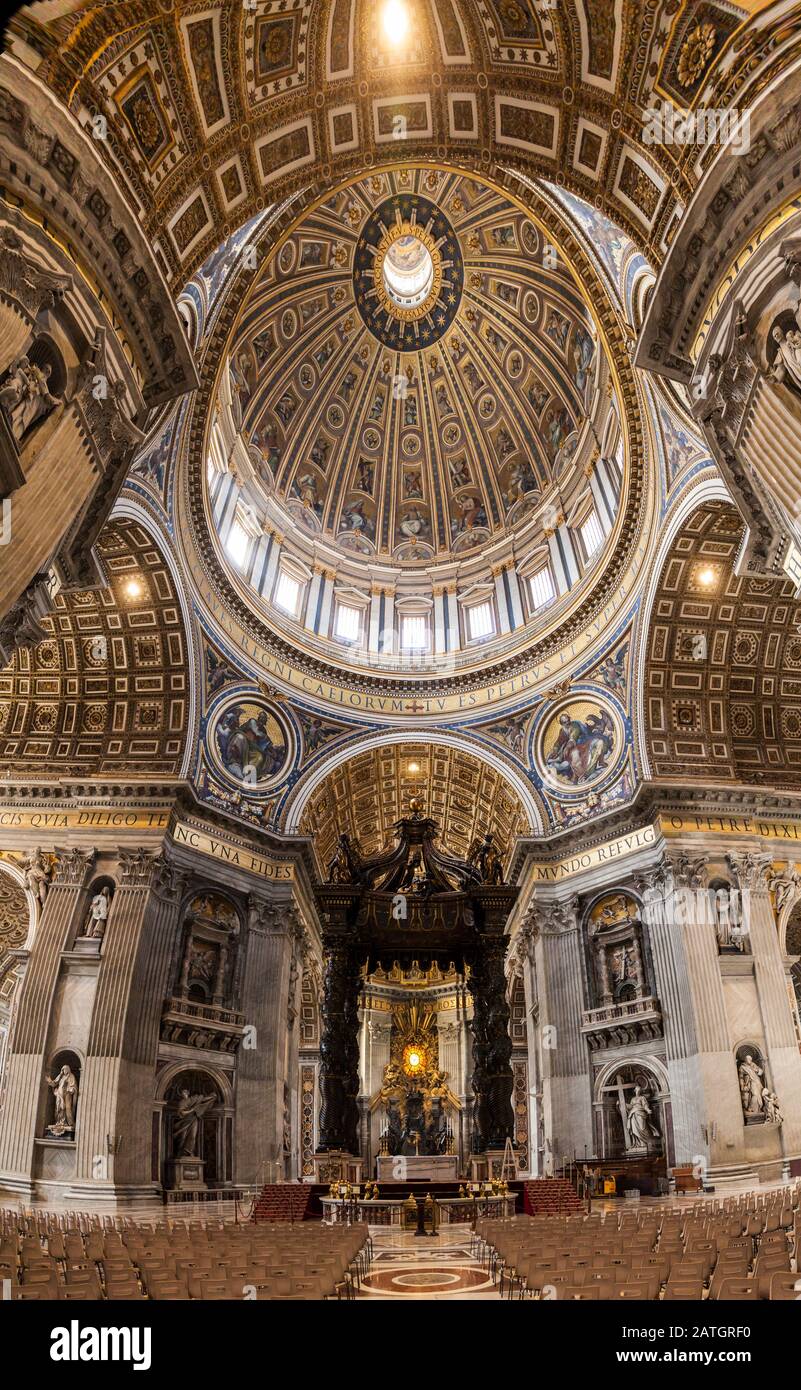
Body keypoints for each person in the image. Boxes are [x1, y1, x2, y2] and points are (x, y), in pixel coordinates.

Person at [173, 1087, 217, 1158]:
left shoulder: (194, 1099)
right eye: (182, 1093)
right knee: (182, 1137)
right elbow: (182, 1113)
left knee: (193, 1136)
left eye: (185, 1092)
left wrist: (211, 1097)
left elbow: (203, 1100)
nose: (183, 1094)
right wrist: (192, 1110)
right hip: (184, 1121)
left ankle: (189, 1151)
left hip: (194, 1119)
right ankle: (180, 1152)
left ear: (188, 1093)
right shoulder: (182, 1102)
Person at [46, 1064, 78, 1137]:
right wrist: (50, 1081)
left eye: (66, 1069)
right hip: (59, 1095)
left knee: (66, 1108)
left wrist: (71, 1089)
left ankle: (67, 1122)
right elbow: (54, 1083)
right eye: (63, 1069)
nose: (64, 1071)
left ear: (68, 1070)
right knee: (58, 1108)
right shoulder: (61, 1076)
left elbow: (73, 1086)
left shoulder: (71, 1076)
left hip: (67, 1095)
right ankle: (59, 1122)